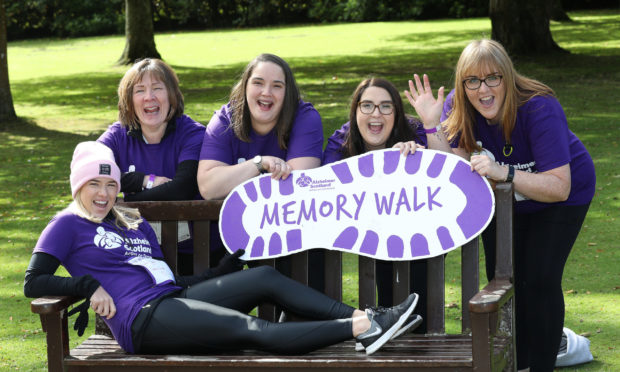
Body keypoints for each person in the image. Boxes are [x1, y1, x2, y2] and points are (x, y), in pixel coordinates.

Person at [24, 141, 420, 356]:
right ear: (78, 187)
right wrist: (88, 287)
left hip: (170, 297)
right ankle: (365, 329)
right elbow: (33, 281)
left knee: (262, 276)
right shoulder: (67, 225)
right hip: (142, 318)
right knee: (251, 330)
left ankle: (368, 315)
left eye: (111, 185)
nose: (104, 193)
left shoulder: (131, 221)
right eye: (95, 184)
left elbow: (170, 279)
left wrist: (222, 271)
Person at [408, 39, 595, 371]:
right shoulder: (457, 105)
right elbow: (454, 167)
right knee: (505, 279)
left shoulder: (539, 107)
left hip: (560, 196)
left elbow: (559, 187)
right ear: (463, 85)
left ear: (508, 77)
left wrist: (503, 172)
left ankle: (541, 363)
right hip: (500, 198)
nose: (483, 89)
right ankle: (519, 358)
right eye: (473, 81)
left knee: (538, 278)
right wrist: (431, 126)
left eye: (493, 77)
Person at [322, 77, 452, 335]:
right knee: (383, 285)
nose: (376, 114)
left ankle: (417, 345)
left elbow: (447, 176)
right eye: (367, 105)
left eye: (386, 106)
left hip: (418, 238)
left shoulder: (413, 131)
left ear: (396, 112)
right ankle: (386, 336)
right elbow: (328, 189)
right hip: (370, 237)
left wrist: (428, 130)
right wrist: (384, 166)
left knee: (417, 285)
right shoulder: (341, 141)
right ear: (356, 110)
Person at [197, 53, 325, 291]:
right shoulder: (225, 119)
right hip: (229, 239)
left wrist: (234, 178)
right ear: (245, 86)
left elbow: (298, 185)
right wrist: (259, 164)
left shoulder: (304, 117)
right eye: (258, 83)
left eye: (277, 86)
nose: (266, 92)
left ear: (287, 94)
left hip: (292, 237)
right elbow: (208, 186)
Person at [97, 58, 206, 274]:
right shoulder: (117, 135)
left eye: (157, 88)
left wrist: (122, 201)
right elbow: (88, 173)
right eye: (140, 90)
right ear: (129, 100)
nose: (149, 97)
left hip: (193, 257)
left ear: (172, 95)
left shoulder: (193, 133)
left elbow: (181, 188)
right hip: (136, 255)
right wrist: (144, 180)